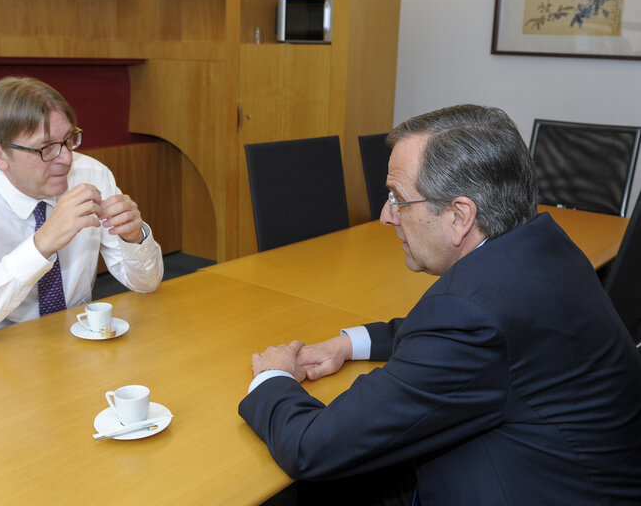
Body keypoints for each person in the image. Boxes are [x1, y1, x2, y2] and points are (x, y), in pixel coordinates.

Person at [239, 105, 641, 505]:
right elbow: (463, 332)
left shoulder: (472, 316)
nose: (384, 216)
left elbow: (311, 448)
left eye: (397, 198)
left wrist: (273, 377)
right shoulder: (542, 248)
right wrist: (348, 344)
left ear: (459, 215)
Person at [0, 76, 163, 347]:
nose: (67, 158)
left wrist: (134, 239)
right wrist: (39, 247)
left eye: (69, 139)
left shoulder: (92, 175)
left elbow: (147, 283)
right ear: (0, 155)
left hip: (73, 341)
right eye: (46, 147)